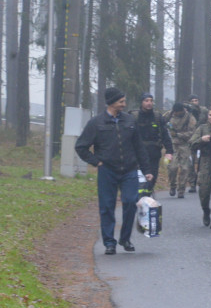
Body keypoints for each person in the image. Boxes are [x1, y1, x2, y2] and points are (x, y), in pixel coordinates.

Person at [74, 87, 154, 255]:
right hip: (107, 171)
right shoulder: (96, 123)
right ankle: (109, 242)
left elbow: (139, 147)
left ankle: (125, 238)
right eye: (121, 102)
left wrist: (147, 169)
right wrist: (97, 162)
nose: (124, 105)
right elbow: (81, 147)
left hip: (130, 170)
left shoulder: (130, 121)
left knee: (131, 202)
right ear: (111, 103)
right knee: (107, 207)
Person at [132, 93, 173, 198]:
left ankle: (146, 195)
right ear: (141, 103)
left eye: (151, 100)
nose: (149, 103)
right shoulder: (133, 117)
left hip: (153, 154)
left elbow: (165, 135)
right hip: (137, 154)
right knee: (140, 179)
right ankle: (140, 198)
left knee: (152, 178)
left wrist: (169, 151)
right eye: (146, 101)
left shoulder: (158, 117)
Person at [164, 102, 197, 198]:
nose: (177, 114)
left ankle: (181, 189)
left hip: (185, 145)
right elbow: (161, 123)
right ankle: (172, 186)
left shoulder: (189, 118)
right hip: (172, 145)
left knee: (185, 168)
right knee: (172, 167)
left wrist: (179, 135)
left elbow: (192, 133)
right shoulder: (169, 115)